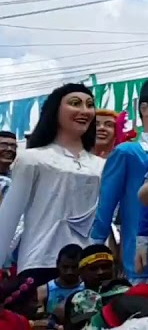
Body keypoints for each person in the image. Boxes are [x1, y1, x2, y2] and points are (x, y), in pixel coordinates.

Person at [0, 84, 105, 283]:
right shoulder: (32, 159)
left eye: (89, 105)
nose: (84, 110)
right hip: (41, 261)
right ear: (55, 110)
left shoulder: (102, 166)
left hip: (92, 264)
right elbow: (8, 219)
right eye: (75, 103)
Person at [91, 75, 148, 283]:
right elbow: (105, 207)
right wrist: (94, 252)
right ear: (144, 108)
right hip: (141, 264)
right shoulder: (129, 152)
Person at [39, 244, 84, 321]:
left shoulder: (89, 289)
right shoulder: (44, 291)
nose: (69, 272)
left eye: (74, 267)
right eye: (65, 267)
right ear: (57, 264)